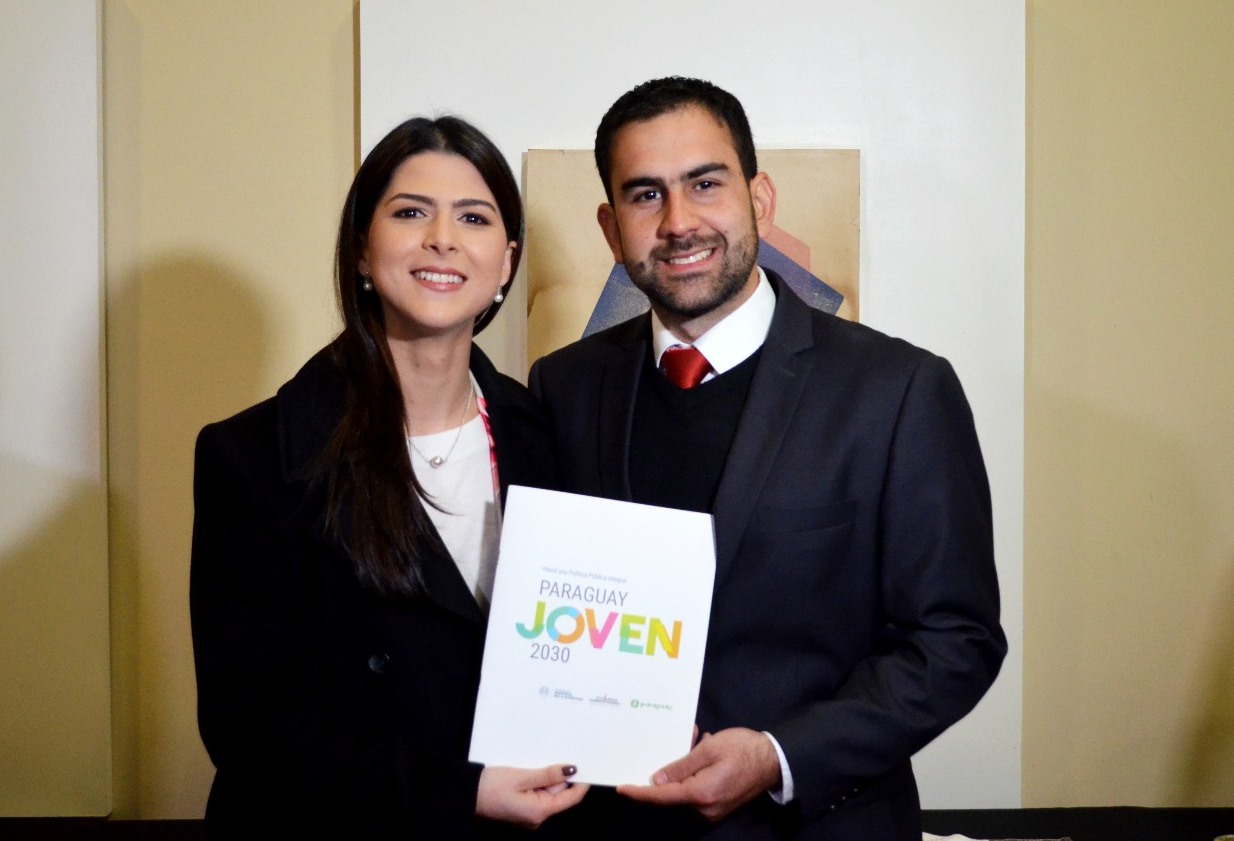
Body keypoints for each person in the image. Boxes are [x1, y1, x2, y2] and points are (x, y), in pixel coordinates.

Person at [529, 77, 1007, 840]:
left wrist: (780, 756)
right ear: (611, 228)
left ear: (760, 198)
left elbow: (957, 641)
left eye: (705, 184)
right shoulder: (563, 386)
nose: (679, 222)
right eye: (646, 195)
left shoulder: (899, 390)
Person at [190, 115, 588, 839]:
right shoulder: (251, 458)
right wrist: (460, 793)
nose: (443, 238)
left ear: (505, 264)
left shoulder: (548, 434)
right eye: (410, 212)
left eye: (473, 217)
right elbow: (249, 724)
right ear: (362, 251)